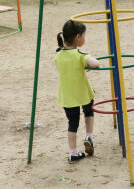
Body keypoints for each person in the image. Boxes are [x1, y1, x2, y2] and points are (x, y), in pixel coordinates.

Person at [55, 20, 100, 163]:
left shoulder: (58, 55)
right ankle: (89, 136)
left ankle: (73, 153)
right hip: (82, 93)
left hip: (67, 96)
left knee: (72, 122)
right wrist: (87, 62)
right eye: (84, 36)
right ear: (78, 37)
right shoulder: (79, 54)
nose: (85, 39)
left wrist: (81, 65)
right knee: (88, 111)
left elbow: (69, 67)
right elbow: (95, 63)